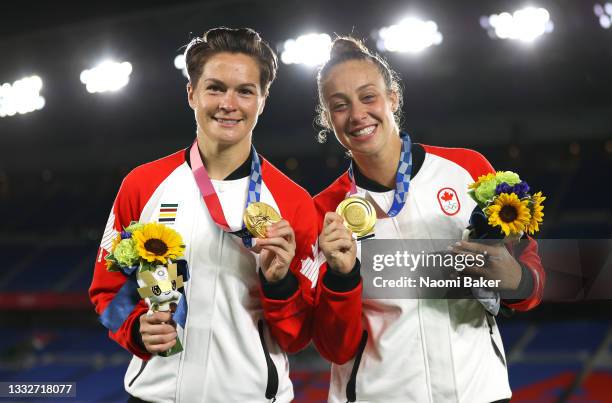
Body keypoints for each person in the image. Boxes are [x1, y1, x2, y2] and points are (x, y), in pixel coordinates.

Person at [89, 27, 349, 403]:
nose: (229, 103)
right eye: (215, 88)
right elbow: (107, 291)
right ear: (191, 93)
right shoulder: (143, 185)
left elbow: (298, 335)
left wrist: (278, 284)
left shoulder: (293, 203)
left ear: (262, 100)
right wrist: (135, 329)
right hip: (154, 397)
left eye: (245, 91)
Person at [314, 37, 545, 403]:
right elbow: (333, 346)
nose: (357, 114)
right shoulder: (324, 212)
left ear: (393, 98)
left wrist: (516, 279)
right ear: (328, 118)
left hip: (479, 392)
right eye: (339, 106)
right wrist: (342, 279)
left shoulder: (467, 171)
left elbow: (530, 279)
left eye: (368, 97)